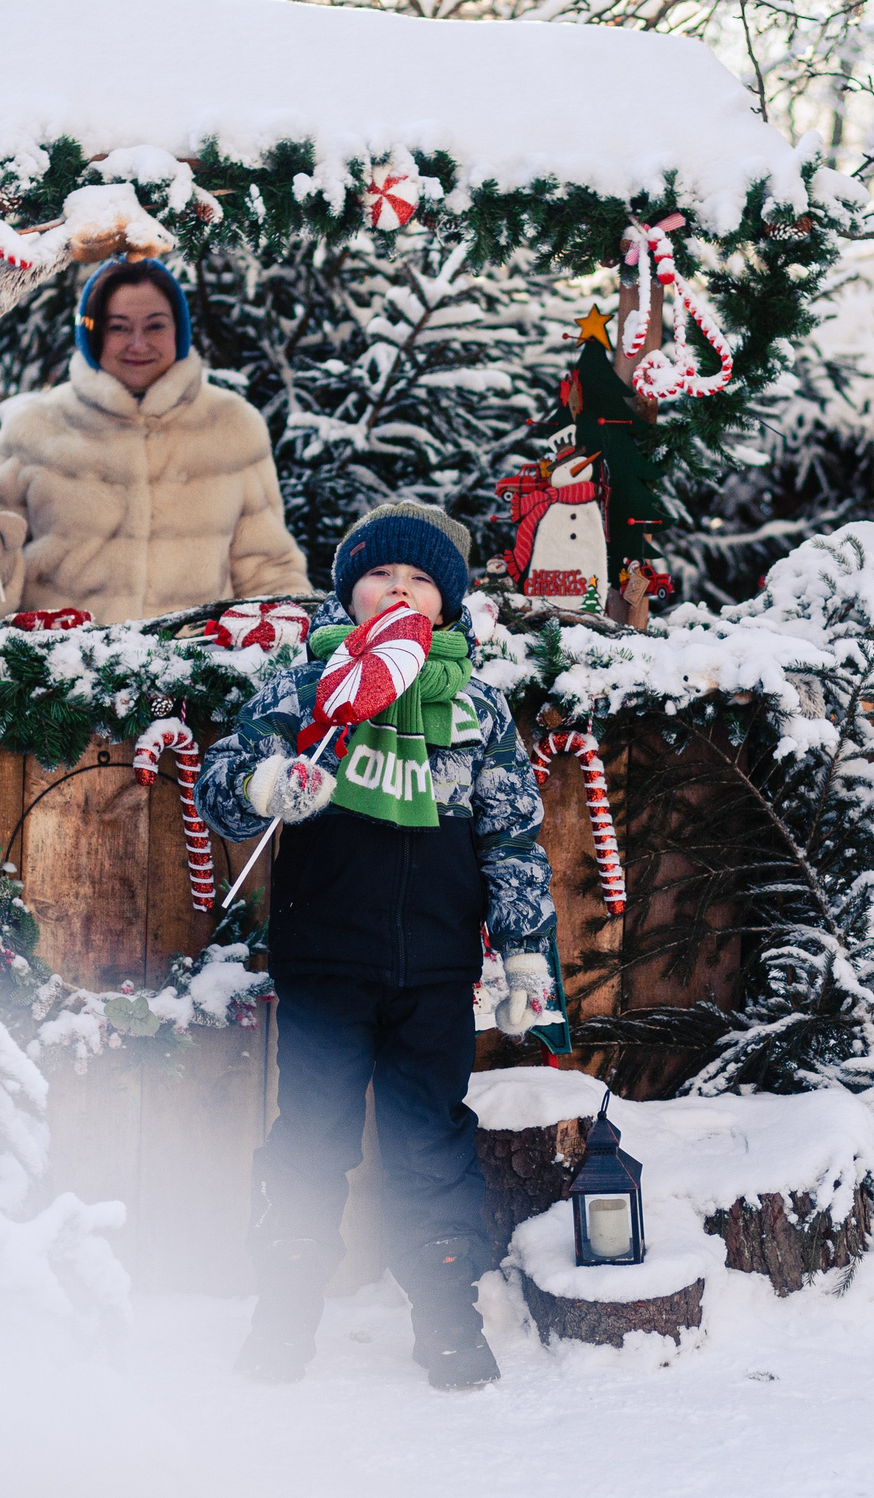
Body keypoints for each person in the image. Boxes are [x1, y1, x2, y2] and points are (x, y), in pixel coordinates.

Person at [194, 502, 558, 1390]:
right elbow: (222, 786)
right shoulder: (305, 688)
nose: (399, 591)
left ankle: (447, 1319)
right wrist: (269, 784)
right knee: (310, 1137)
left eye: (421, 579)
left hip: (434, 973)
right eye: (381, 575)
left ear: (448, 603)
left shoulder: (477, 709)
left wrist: (524, 954)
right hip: (325, 964)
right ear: (348, 591)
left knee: (430, 1142)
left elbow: (511, 839)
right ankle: (283, 1315)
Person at [0, 259, 307, 625]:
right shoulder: (34, 429)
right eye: (118, 327)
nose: (138, 343)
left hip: (194, 657)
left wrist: (290, 632)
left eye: (155, 325)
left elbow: (268, 572)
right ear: (93, 334)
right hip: (60, 658)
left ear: (179, 330)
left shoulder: (233, 427)